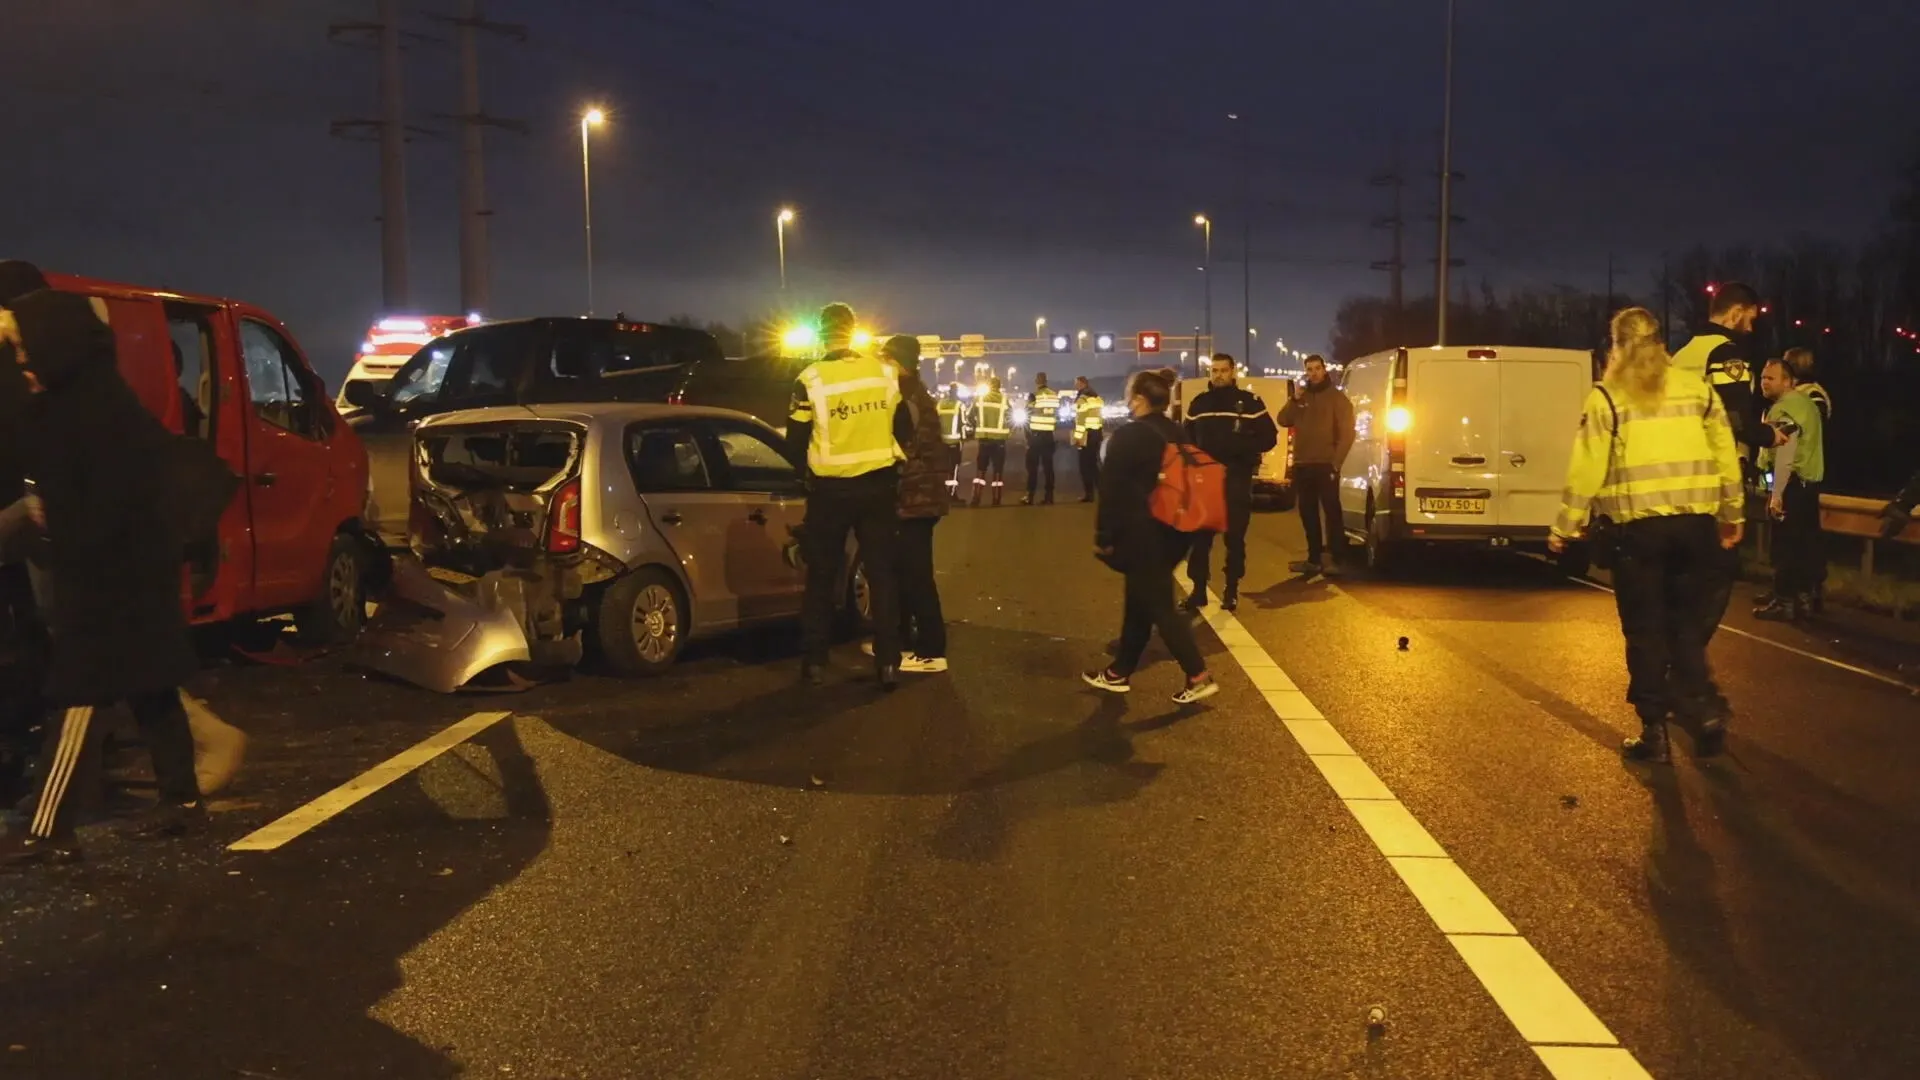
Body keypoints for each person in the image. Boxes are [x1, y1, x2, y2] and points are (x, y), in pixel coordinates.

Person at [1, 288, 210, 865]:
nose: (21, 360)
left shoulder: (78, 413)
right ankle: (182, 801)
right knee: (151, 682)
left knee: (78, 695)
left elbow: (83, 495)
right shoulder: (98, 399)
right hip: (137, 571)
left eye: (25, 348)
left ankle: (48, 828)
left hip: (106, 577)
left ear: (55, 344)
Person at [1550, 308, 1744, 763]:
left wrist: (1566, 524)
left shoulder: (1609, 398)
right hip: (1696, 530)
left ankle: (1654, 732)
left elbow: (1587, 468)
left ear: (1615, 346)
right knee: (1684, 626)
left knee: (1645, 630)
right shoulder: (1698, 391)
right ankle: (1704, 709)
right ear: (1661, 343)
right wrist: (1732, 514)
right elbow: (1725, 457)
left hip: (1636, 535)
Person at [786, 303, 913, 689]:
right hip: (878, 486)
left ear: (823, 335)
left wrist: (806, 474)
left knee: (822, 575)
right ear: (853, 330)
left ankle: (814, 662)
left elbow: (795, 441)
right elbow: (904, 428)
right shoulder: (884, 373)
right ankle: (889, 663)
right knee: (881, 574)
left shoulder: (809, 379)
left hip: (830, 489)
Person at [1082, 368, 1220, 704]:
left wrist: (1103, 534)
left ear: (1140, 399)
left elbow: (1111, 490)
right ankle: (1120, 671)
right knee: (1139, 600)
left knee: (1160, 606)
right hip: (1175, 532)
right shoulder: (1177, 432)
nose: (1128, 400)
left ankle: (1198, 674)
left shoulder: (1131, 436)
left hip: (1143, 533)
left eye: (1130, 393)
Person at [1670, 281, 1765, 639]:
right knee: (1717, 571)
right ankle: (1686, 656)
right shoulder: (1727, 354)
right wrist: (1768, 435)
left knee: (1682, 572)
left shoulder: (1683, 355)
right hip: (1714, 477)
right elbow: (1734, 416)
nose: (1751, 328)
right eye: (1750, 319)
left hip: (1678, 476)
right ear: (1736, 312)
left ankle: (1671, 650)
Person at [875, 336, 951, 673]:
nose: (881, 364)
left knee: (917, 575)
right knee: (904, 573)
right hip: (919, 496)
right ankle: (902, 643)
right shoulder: (911, 391)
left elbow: (902, 448)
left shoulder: (905, 396)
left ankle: (932, 650)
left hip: (914, 497)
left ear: (900, 361)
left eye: (886, 358)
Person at [1180, 353, 1278, 612]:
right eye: (1214, 370)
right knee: (1199, 539)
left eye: (1223, 370)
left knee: (1234, 539)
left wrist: (1242, 450)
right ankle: (1198, 590)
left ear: (1233, 372)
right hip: (1206, 482)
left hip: (1236, 478)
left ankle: (1231, 589)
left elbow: (1270, 437)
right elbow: (1185, 440)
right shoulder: (1199, 404)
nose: (1219, 375)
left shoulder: (1250, 403)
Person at [1753, 357, 1826, 622]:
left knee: (1784, 547)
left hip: (1792, 486)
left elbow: (1786, 453)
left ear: (1788, 381)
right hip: (1808, 486)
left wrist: (1776, 495)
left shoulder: (1786, 409)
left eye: (1770, 378)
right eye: (1762, 377)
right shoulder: (1804, 404)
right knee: (1803, 545)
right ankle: (1803, 600)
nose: (1764, 382)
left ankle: (1784, 602)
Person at [1277, 353, 1356, 577]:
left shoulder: (1337, 399)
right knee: (1307, 512)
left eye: (1317, 369)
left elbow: (1347, 433)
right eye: (1309, 369)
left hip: (1326, 465)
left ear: (1324, 370)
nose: (1313, 373)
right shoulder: (1301, 397)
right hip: (1303, 464)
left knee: (1332, 512)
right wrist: (1294, 399)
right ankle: (1314, 558)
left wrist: (1336, 462)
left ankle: (1337, 558)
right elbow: (1283, 420)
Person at [968, 377, 1010, 506]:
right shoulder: (1004, 400)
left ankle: (976, 498)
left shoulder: (980, 398)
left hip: (984, 439)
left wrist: (978, 427)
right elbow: (1011, 417)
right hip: (999, 441)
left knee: (981, 469)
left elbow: (970, 417)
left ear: (990, 386)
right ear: (999, 386)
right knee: (998, 470)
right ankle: (996, 499)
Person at [1023, 372, 1061, 505]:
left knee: (1032, 468)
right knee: (1048, 468)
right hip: (1049, 436)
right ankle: (1049, 496)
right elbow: (1057, 415)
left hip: (1036, 436)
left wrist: (1027, 437)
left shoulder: (1033, 396)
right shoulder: (1053, 395)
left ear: (1037, 381)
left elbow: (1026, 416)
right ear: (1046, 380)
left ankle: (1030, 496)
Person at [1072, 375, 1105, 502]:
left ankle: (1089, 494)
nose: (1075, 386)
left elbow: (1081, 420)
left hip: (1087, 436)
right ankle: (1102, 493)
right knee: (1094, 466)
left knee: (1084, 466)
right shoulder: (1096, 397)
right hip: (1097, 434)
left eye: (1076, 383)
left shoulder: (1083, 399)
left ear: (1081, 383)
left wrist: (1078, 438)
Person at [937, 382, 966, 500]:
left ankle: (941, 493)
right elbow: (963, 423)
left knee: (942, 467)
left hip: (941, 441)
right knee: (953, 468)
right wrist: (963, 438)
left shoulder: (939, 404)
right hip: (954, 441)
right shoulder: (959, 405)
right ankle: (952, 494)